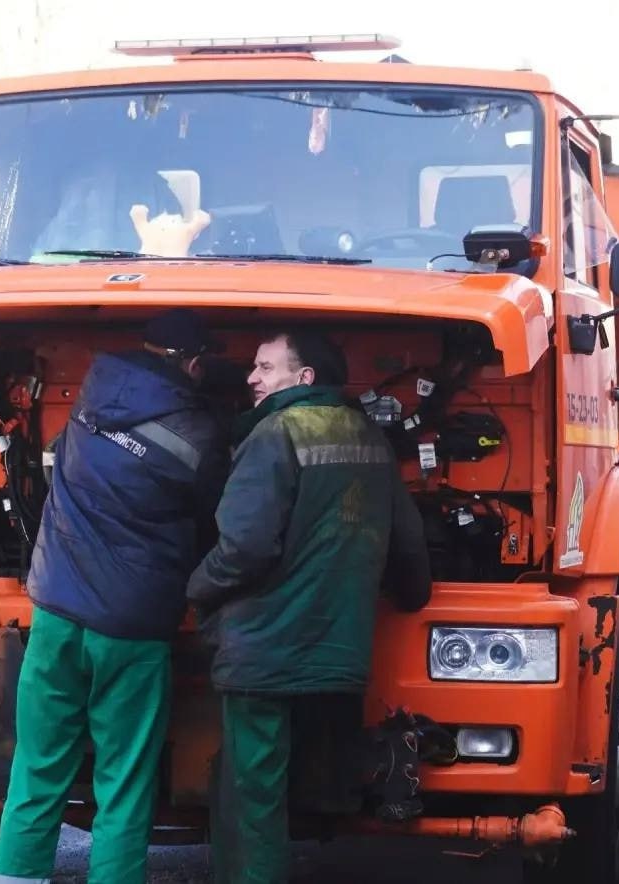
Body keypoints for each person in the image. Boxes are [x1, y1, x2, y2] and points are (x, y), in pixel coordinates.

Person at [186, 328, 432, 884]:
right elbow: (407, 541)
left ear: (304, 379)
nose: (251, 378)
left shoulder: (275, 433)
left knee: (250, 800)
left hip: (262, 654)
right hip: (338, 654)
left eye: (265, 367)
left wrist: (194, 587)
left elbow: (244, 547)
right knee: (311, 780)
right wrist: (414, 594)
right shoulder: (370, 438)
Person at [0, 308, 227, 884]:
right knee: (123, 777)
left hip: (56, 610)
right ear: (195, 366)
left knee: (38, 764)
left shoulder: (91, 395)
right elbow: (219, 518)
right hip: (133, 626)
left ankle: (14, 878)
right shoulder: (201, 436)